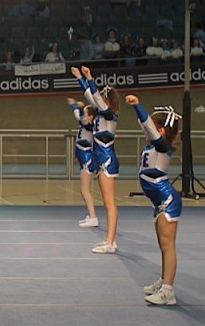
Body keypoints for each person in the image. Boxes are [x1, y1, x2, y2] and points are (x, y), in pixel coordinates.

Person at [125, 95, 183, 306]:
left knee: (168, 245)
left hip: (167, 200)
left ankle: (168, 291)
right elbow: (147, 127)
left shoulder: (162, 147)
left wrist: (137, 106)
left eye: (152, 127)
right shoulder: (154, 146)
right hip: (159, 202)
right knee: (162, 244)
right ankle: (163, 280)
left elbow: (148, 126)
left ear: (161, 131)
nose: (146, 130)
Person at [71, 66, 119, 253]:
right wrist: (80, 78)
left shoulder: (109, 115)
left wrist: (90, 78)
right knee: (108, 201)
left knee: (109, 202)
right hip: (101, 160)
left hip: (107, 160)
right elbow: (90, 95)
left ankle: (110, 241)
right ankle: (110, 240)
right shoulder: (101, 113)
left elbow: (96, 97)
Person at [67, 98, 98, 227]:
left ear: (90, 117)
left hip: (87, 158)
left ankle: (93, 217)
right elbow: (77, 114)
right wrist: (74, 105)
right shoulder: (83, 122)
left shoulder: (89, 125)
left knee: (85, 189)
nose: (83, 116)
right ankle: (91, 215)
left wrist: (79, 107)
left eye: (86, 113)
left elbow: (80, 116)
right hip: (83, 157)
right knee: (84, 189)